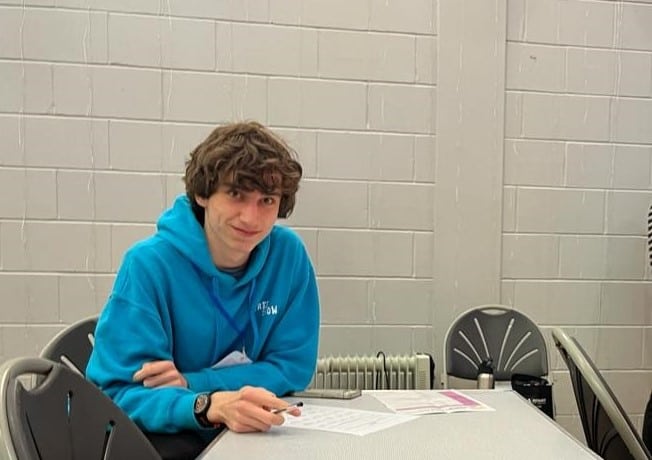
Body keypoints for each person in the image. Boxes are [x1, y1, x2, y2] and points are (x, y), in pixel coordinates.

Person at [86, 121, 320, 458]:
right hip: (165, 443)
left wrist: (192, 382)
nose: (251, 218)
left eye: (266, 200)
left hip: (249, 438)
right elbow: (117, 394)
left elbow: (292, 366)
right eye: (236, 194)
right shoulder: (148, 266)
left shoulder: (288, 257)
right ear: (202, 193)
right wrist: (206, 404)